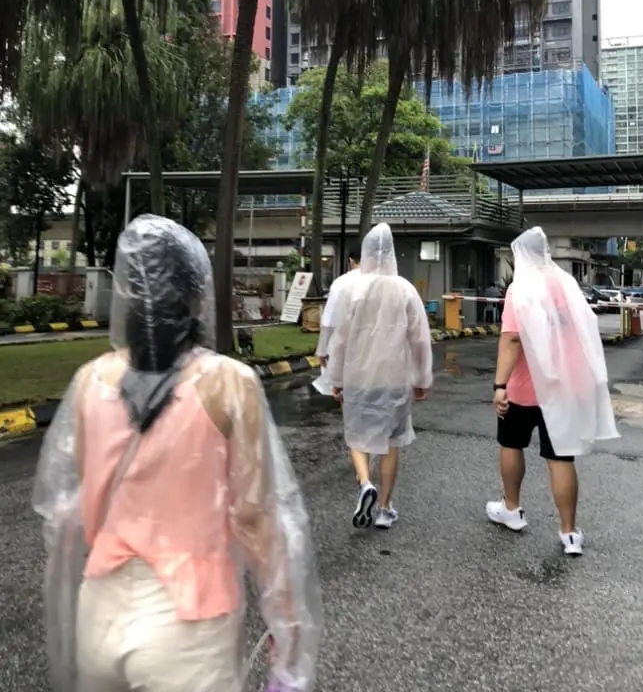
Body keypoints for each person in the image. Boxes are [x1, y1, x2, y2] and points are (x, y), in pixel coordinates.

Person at [32, 214, 321, 692]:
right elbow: (258, 519)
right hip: (190, 627)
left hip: (99, 613)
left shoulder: (89, 382)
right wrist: (289, 632)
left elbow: (84, 505)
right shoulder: (228, 384)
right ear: (196, 296)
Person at [486, 227, 619, 555]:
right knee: (560, 457)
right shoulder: (567, 284)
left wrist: (500, 385)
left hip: (523, 388)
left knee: (511, 444)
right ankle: (569, 532)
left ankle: (512, 509)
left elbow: (512, 338)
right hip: (565, 387)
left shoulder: (521, 288)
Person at [328, 223, 433, 531]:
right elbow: (420, 339)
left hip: (358, 376)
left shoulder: (351, 289)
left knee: (356, 435)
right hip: (395, 378)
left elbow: (340, 339)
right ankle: (385, 508)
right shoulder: (405, 289)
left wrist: (335, 378)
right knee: (390, 442)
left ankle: (364, 483)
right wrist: (422, 378)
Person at [311, 244, 361, 396]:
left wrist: (322, 350)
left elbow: (329, 320)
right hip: (381, 353)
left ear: (351, 261)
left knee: (345, 392)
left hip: (347, 347)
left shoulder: (341, 283)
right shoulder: (390, 283)